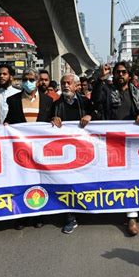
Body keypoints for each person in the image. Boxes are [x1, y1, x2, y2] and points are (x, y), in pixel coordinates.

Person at [92, 61, 139, 236]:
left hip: (131, 144)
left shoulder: (136, 92)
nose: (120, 75)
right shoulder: (107, 90)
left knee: (131, 178)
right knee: (110, 176)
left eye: (124, 72)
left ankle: (132, 216)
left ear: (129, 75)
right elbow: (95, 100)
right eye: (117, 72)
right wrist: (101, 78)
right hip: (109, 143)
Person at [4, 68, 53, 229]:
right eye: (25, 79)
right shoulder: (13, 100)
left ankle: (38, 213)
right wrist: (6, 126)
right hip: (21, 151)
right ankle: (22, 215)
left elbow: (51, 120)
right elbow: (9, 120)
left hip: (39, 152)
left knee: (39, 182)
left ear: (38, 81)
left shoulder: (47, 101)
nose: (28, 82)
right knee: (21, 181)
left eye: (31, 79)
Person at [50, 73, 93, 234]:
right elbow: (48, 123)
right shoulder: (56, 104)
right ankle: (70, 217)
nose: (65, 85)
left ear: (76, 86)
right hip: (65, 152)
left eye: (69, 83)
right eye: (63, 83)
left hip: (85, 150)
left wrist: (91, 116)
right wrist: (53, 119)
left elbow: (99, 117)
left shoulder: (86, 103)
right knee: (67, 183)